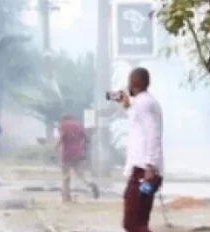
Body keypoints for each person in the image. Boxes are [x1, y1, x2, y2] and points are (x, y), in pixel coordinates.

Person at [111, 67, 163, 232]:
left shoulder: (144, 103)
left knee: (132, 223)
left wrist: (150, 166)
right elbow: (135, 115)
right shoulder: (143, 103)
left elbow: (152, 133)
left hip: (144, 171)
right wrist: (124, 102)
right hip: (144, 170)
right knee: (139, 222)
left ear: (132, 82)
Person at [57, 114, 99, 202]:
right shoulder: (78, 125)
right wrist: (82, 146)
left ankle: (66, 197)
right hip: (78, 154)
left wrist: (56, 147)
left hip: (67, 154)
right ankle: (91, 184)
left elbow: (62, 138)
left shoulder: (63, 125)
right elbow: (87, 139)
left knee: (66, 177)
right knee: (81, 175)